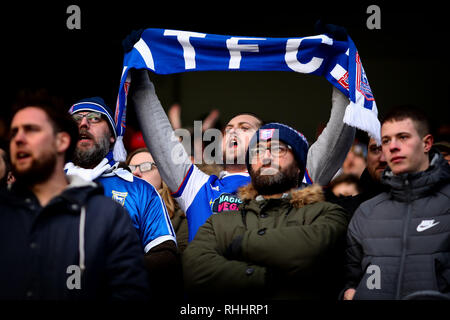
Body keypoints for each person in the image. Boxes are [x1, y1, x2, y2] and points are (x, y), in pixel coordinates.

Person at [129, 68, 355, 242]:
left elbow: (337, 135)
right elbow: (159, 134)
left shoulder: (291, 179)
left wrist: (340, 69)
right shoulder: (197, 187)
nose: (234, 130)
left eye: (245, 127)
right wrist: (139, 76)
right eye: (228, 129)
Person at [0, 97, 150, 300]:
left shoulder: (106, 213)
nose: (19, 139)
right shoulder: (5, 209)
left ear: (61, 141)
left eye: (31, 129)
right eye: (14, 132)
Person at [182, 122, 350, 300]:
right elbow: (194, 270)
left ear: (300, 164)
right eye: (257, 151)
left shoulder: (327, 213)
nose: (266, 157)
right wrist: (263, 276)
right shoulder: (219, 222)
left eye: (277, 149)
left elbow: (316, 251)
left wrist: (239, 245)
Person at [64, 97, 178, 297]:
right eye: (76, 119)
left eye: (95, 118)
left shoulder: (141, 190)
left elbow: (165, 255)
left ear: (111, 136)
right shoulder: (44, 185)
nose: (83, 123)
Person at [343, 106, 450, 300]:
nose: (392, 147)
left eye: (403, 137)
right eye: (386, 140)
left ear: (427, 144)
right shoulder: (367, 212)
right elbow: (350, 281)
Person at [126, 147, 188, 253]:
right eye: (130, 169)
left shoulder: (183, 216)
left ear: (164, 175)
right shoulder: (112, 210)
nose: (135, 173)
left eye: (146, 167)